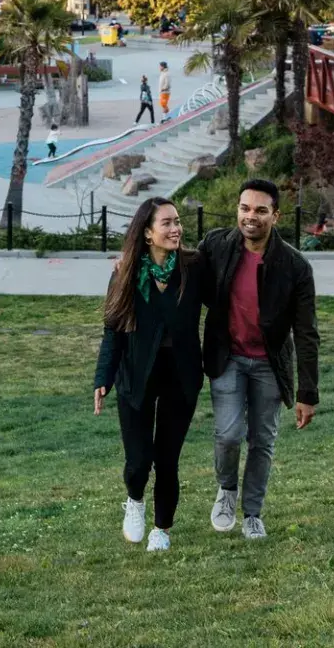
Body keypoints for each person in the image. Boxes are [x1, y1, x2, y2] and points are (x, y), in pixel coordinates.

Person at [194, 179, 321, 540]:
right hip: (227, 358)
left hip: (269, 363)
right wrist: (138, 258)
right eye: (245, 208)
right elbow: (183, 275)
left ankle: (252, 513)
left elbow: (307, 332)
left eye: (261, 210)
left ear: (275, 216)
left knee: (262, 441)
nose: (251, 217)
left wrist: (307, 392)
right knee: (229, 433)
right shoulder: (216, 245)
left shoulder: (295, 266)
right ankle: (226, 491)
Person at [93, 197, 217, 552]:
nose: (176, 228)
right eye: (167, 223)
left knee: (167, 458)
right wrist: (103, 377)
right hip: (135, 375)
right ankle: (134, 501)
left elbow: (221, 299)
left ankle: (162, 528)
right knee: (138, 460)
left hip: (181, 375)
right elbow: (113, 330)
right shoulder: (125, 273)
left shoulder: (194, 267)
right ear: (147, 232)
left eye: (177, 221)